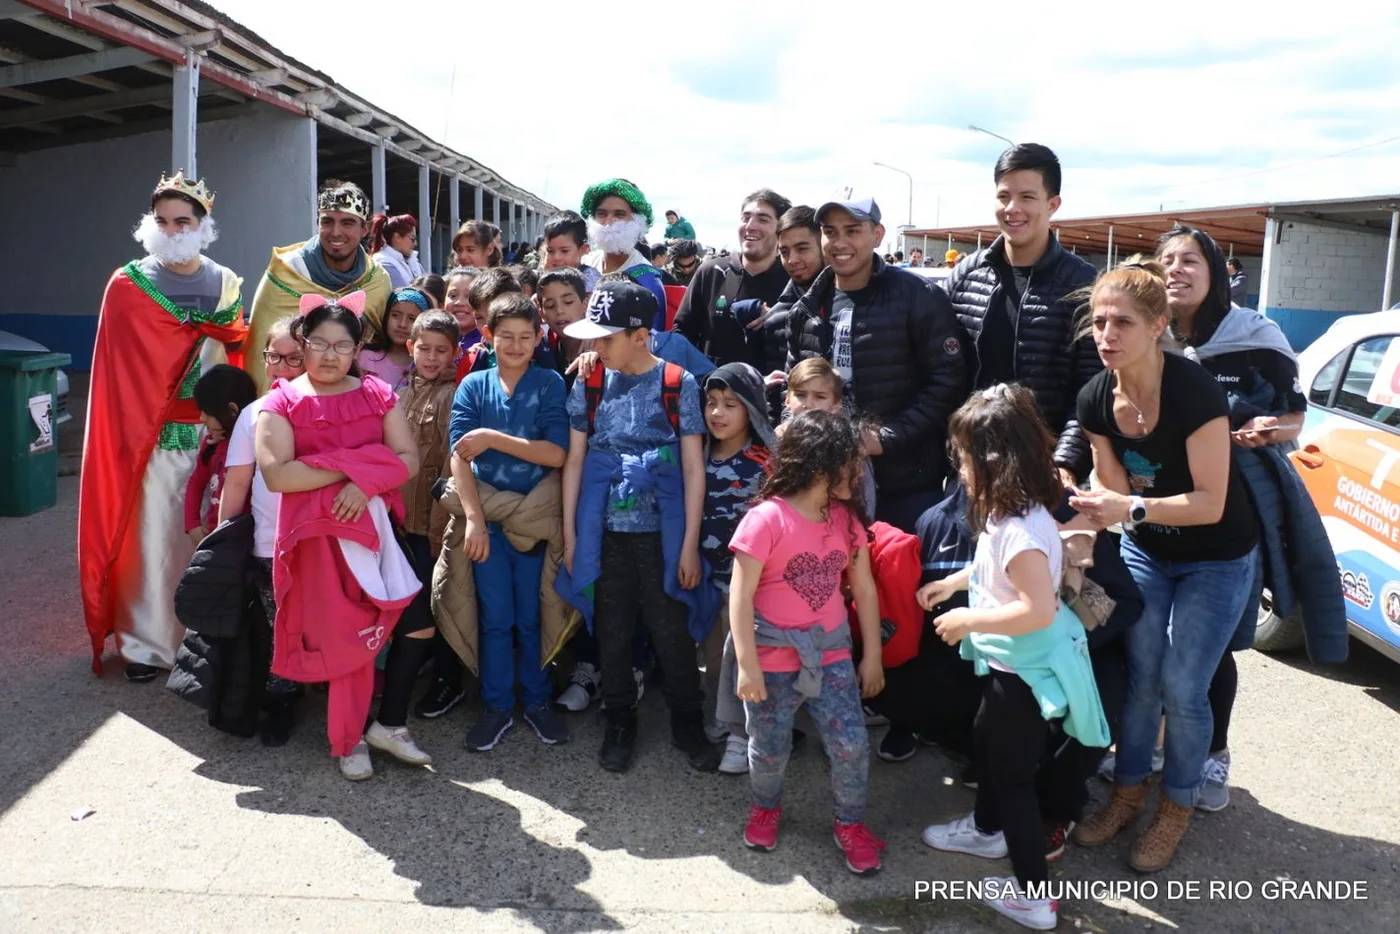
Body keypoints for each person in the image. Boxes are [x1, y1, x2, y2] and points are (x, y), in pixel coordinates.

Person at [1068, 258, 1259, 871]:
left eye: (1122, 321)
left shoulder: (1194, 391)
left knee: (1183, 684)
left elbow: (1211, 502)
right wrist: (1095, 509)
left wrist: (1128, 506)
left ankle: (1175, 805)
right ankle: (1128, 792)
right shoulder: (1096, 396)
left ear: (1158, 326)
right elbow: (1118, 491)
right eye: (1098, 321)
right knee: (1143, 677)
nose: (1106, 334)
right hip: (1150, 551)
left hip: (1216, 555)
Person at [1153, 225, 1345, 812]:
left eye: (1190, 260)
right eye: (1167, 261)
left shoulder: (1254, 336)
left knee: (1213, 649)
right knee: (1154, 645)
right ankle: (1159, 748)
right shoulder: (1148, 336)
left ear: (1215, 273)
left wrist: (1266, 431)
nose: (1177, 270)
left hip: (1235, 514)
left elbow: (1294, 418)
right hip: (1159, 511)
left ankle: (1214, 758)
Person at [919, 384, 1109, 932]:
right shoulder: (1011, 514)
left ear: (993, 461)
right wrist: (954, 584)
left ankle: (1034, 896)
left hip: (1025, 671)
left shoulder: (1022, 530)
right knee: (990, 742)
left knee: (1012, 780)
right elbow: (991, 571)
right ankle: (983, 830)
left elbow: (1037, 609)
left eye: (963, 459)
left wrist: (966, 619)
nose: (959, 469)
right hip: (1012, 667)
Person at [255, 291, 433, 781]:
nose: (329, 355)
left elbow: (408, 461)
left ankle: (388, 724)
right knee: (345, 641)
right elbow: (280, 476)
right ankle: (348, 739)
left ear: (357, 350)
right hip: (316, 542)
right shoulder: (280, 403)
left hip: (375, 534)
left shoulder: (377, 394)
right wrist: (356, 469)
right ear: (302, 345)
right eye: (318, 343)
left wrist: (365, 481)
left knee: (416, 623)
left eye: (341, 346)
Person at [80, 171, 249, 682]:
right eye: (163, 220)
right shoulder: (128, 285)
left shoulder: (225, 283)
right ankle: (146, 645)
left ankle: (201, 636)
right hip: (148, 441)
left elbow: (235, 354)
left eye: (183, 220)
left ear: (203, 224)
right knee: (150, 542)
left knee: (203, 536)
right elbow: (117, 372)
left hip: (209, 437)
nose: (172, 229)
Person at [554, 279, 718, 774]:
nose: (595, 347)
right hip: (602, 529)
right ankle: (618, 718)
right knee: (612, 629)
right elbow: (576, 460)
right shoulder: (590, 380)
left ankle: (688, 721)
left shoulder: (678, 383)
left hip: (662, 531)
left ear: (640, 335)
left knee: (671, 630)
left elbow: (693, 467)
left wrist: (689, 546)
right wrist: (570, 533)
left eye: (605, 338)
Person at [722, 409, 886, 875]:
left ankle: (850, 825)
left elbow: (865, 588)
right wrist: (747, 666)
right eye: (852, 462)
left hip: (831, 653)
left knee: (851, 745)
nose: (859, 470)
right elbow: (740, 594)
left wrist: (871, 655)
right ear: (822, 467)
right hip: (771, 658)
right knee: (769, 747)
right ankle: (765, 806)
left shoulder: (847, 520)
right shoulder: (765, 519)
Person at [786, 196, 969, 532]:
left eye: (852, 231)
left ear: (878, 234)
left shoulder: (919, 297)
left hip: (906, 485)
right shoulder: (807, 307)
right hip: (824, 484)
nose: (839, 243)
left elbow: (949, 382)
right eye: (830, 232)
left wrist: (886, 438)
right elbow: (793, 384)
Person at [450, 293, 572, 750]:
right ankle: (497, 705)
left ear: (540, 337)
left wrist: (491, 438)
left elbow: (555, 453)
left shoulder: (549, 383)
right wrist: (475, 522)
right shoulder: (473, 386)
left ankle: (537, 701)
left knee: (534, 614)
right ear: (487, 336)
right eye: (506, 337)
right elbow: (460, 457)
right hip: (488, 523)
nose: (516, 345)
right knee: (496, 618)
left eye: (526, 337)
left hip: (536, 520)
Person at [943, 143, 1100, 488]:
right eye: (1003, 197)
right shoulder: (966, 275)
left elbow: (1090, 389)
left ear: (1052, 204)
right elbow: (939, 372)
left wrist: (1066, 463)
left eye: (1027, 197)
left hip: (1044, 471)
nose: (1012, 209)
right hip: (967, 468)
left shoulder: (1082, 285)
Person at [218, 315, 307, 745]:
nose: (284, 368)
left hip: (321, 542)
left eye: (296, 358)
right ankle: (281, 701)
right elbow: (237, 483)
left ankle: (334, 691)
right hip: (268, 544)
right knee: (277, 627)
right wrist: (223, 548)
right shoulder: (253, 415)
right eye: (276, 357)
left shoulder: (329, 408)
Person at [697, 363, 776, 774]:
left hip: (747, 584)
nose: (718, 413)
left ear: (752, 410)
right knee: (712, 653)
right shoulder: (697, 455)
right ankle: (724, 719)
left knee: (739, 654)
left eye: (730, 404)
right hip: (702, 576)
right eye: (711, 403)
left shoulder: (765, 463)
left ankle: (741, 735)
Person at [245, 180, 391, 393]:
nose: (336, 232)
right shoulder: (285, 273)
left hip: (352, 404)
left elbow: (381, 350)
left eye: (348, 223)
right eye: (327, 221)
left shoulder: (377, 281)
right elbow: (260, 351)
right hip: (288, 403)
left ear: (365, 228)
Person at [672, 188, 793, 370]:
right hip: (712, 393)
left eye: (763, 219)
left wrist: (777, 322)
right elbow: (681, 334)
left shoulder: (792, 279)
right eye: (745, 217)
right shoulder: (711, 272)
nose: (750, 226)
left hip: (771, 396)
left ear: (781, 229)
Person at [397, 310, 460, 572]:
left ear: (455, 352)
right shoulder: (401, 393)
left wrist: (438, 529)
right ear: (411, 347)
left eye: (441, 350)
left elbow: (449, 464)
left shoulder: (452, 395)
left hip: (429, 525)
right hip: (399, 520)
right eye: (424, 349)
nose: (431, 358)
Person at [761, 206, 826, 418]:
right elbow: (777, 393)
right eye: (784, 252)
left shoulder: (852, 302)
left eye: (802, 248)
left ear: (823, 244)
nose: (792, 260)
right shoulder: (777, 317)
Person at [184, 364, 258, 546]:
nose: (201, 418)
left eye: (207, 412)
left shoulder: (255, 445)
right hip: (214, 537)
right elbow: (196, 482)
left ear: (232, 410)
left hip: (246, 542)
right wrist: (192, 525)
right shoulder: (212, 443)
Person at [580, 178, 667, 323]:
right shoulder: (584, 263)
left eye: (619, 215)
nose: (608, 223)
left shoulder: (646, 278)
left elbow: (650, 337)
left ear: (637, 221)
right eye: (601, 214)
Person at [359, 286, 431, 392]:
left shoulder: (428, 363)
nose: (402, 324)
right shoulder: (366, 357)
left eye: (412, 319)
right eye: (395, 315)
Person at [537, 267, 590, 381]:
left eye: (568, 302)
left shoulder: (602, 348)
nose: (559, 311)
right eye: (550, 305)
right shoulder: (541, 347)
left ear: (585, 304)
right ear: (541, 314)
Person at [541, 210, 601, 292]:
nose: (557, 257)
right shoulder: (545, 281)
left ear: (583, 250)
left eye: (564, 251)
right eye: (550, 251)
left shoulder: (590, 281)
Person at [369, 213, 424, 289]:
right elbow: (406, 297)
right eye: (412, 239)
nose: (415, 244)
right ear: (397, 237)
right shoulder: (383, 263)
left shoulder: (413, 260)